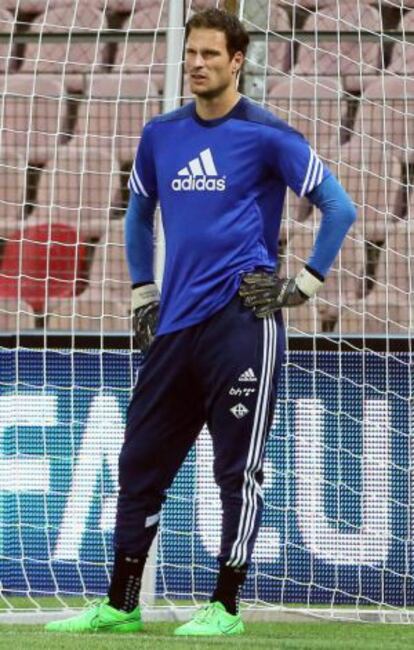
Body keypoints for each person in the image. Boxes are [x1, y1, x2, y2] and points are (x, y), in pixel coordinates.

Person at [46, 8, 356, 637]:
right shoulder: (161, 134)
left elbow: (339, 207)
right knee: (137, 464)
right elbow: (137, 215)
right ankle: (123, 603)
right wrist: (141, 292)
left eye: (211, 54)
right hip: (174, 328)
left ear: (236, 61)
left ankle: (226, 605)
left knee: (235, 471)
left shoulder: (267, 135)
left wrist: (303, 284)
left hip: (242, 326)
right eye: (191, 52)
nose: (197, 63)